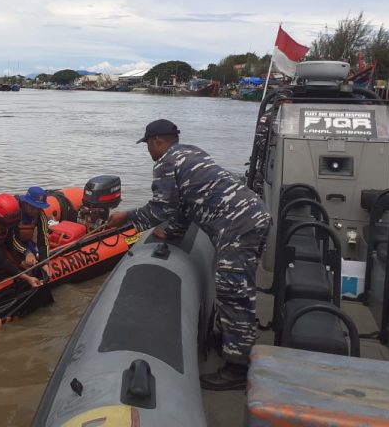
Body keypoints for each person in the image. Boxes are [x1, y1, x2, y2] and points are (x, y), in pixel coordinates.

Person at [107, 119, 271, 391]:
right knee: (239, 285)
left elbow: (160, 208)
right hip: (253, 215)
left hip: (237, 224)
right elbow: (185, 204)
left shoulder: (165, 163)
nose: (148, 150)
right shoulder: (191, 152)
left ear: (158, 142)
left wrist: (127, 218)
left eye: (148, 144)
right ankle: (232, 340)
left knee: (233, 291)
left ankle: (237, 368)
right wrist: (172, 231)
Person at [9, 186, 51, 273]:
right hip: (9, 242)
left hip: (26, 241)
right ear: (26, 203)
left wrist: (44, 263)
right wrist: (26, 253)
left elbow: (43, 240)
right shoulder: (15, 212)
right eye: (33, 207)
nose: (35, 211)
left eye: (38, 208)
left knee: (35, 258)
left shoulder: (41, 215)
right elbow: (11, 239)